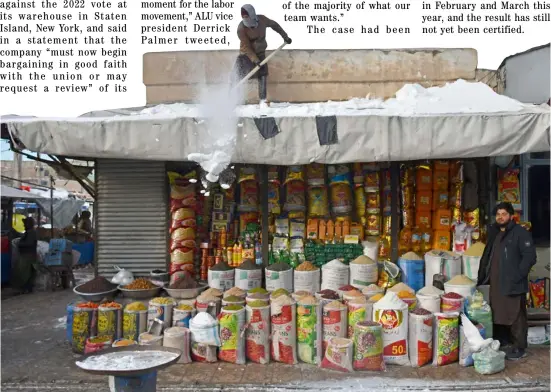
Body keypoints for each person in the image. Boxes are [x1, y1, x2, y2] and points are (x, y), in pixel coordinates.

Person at [477, 202, 537, 360]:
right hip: (497, 282)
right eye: (498, 214)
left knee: (516, 314)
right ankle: (504, 342)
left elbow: (530, 256)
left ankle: (519, 347)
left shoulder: (520, 233)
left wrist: (518, 275)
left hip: (514, 282)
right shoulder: (495, 233)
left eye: (503, 214)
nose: (500, 217)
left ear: (511, 216)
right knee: (499, 312)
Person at [233, 4, 292, 105]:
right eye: (244, 18)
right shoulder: (241, 29)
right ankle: (233, 99)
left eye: (248, 17)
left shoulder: (262, 20)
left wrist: (285, 37)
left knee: (263, 74)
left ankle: (263, 100)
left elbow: (275, 25)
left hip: (260, 53)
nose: (247, 22)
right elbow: (247, 47)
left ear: (252, 15)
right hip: (246, 55)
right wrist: (255, 60)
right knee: (237, 76)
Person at [12, 217, 38, 294]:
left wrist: (19, 244)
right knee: (27, 273)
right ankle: (27, 288)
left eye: (24, 224)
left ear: (28, 224)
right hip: (28, 255)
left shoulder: (31, 233)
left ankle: (25, 288)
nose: (23, 225)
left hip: (28, 256)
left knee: (24, 273)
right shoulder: (29, 232)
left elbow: (29, 243)